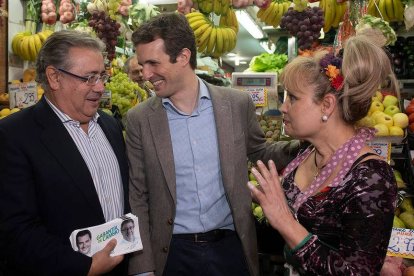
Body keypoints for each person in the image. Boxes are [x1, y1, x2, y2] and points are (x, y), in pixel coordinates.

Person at [125, 12, 302, 276]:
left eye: (153, 63)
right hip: (172, 253)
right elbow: (138, 196)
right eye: (142, 64)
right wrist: (142, 267)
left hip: (231, 247)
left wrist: (308, 143)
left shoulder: (235, 104)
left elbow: (260, 152)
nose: (145, 73)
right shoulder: (139, 119)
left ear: (184, 57)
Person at [247, 35, 398, 275]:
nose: (284, 107)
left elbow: (355, 272)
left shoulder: (372, 178)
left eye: (293, 98)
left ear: (326, 105)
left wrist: (284, 219)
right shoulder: (305, 153)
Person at [0, 30, 130, 276]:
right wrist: (85, 268)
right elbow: (16, 230)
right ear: (54, 77)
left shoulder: (110, 125)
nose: (100, 87)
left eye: (102, 76)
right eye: (89, 78)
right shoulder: (14, 135)